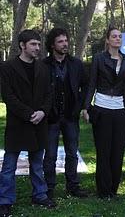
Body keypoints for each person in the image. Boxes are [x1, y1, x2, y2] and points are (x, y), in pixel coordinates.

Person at [0, 30, 55, 217]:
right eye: (33, 44)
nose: (37, 48)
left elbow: (49, 94)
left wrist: (42, 112)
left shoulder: (43, 68)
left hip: (39, 123)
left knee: (37, 164)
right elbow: (8, 96)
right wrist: (29, 113)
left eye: (38, 44)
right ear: (22, 45)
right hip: (18, 123)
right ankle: (5, 201)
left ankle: (39, 195)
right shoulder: (7, 67)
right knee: (9, 165)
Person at [82, 26, 125, 198]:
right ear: (107, 40)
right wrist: (86, 107)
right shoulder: (99, 59)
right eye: (114, 36)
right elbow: (92, 84)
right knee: (103, 152)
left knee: (117, 152)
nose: (118, 39)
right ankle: (103, 191)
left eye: (120, 36)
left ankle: (113, 189)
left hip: (120, 110)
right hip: (102, 108)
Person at [42, 28, 88, 199]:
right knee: (51, 155)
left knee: (72, 153)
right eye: (60, 41)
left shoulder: (76, 64)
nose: (65, 44)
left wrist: (81, 106)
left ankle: (73, 186)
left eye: (66, 40)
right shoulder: (44, 65)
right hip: (51, 117)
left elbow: (86, 86)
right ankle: (49, 188)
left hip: (70, 115)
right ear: (52, 45)